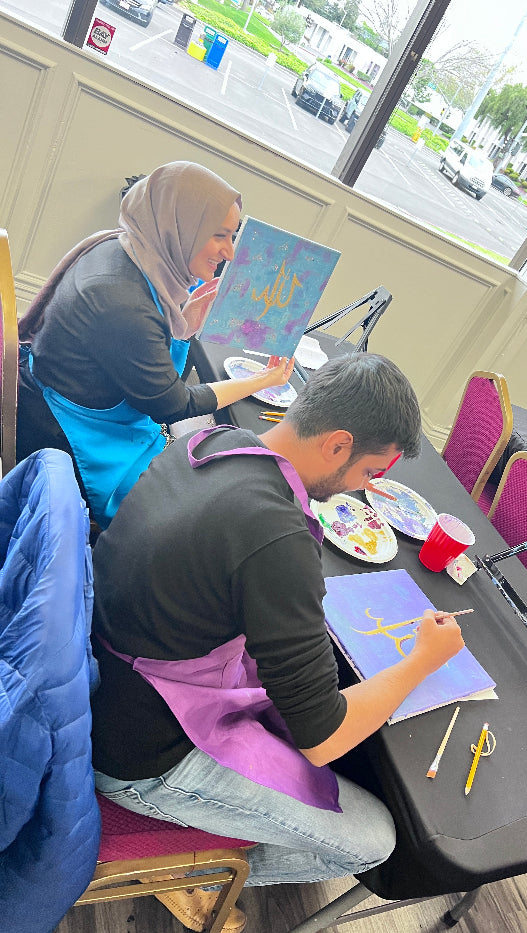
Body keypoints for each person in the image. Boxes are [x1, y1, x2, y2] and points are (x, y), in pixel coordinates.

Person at [89, 353, 465, 926]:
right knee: (373, 839)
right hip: (138, 755)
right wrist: (421, 662)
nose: (365, 489)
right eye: (371, 474)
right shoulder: (276, 535)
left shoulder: (213, 442)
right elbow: (323, 738)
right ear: (338, 443)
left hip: (104, 682)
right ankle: (194, 870)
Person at [16, 161, 293, 528]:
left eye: (233, 235)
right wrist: (262, 380)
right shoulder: (122, 302)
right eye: (219, 235)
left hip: (67, 396)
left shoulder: (125, 247)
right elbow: (173, 405)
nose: (229, 252)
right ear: (181, 227)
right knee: (192, 515)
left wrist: (184, 324)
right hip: (65, 431)